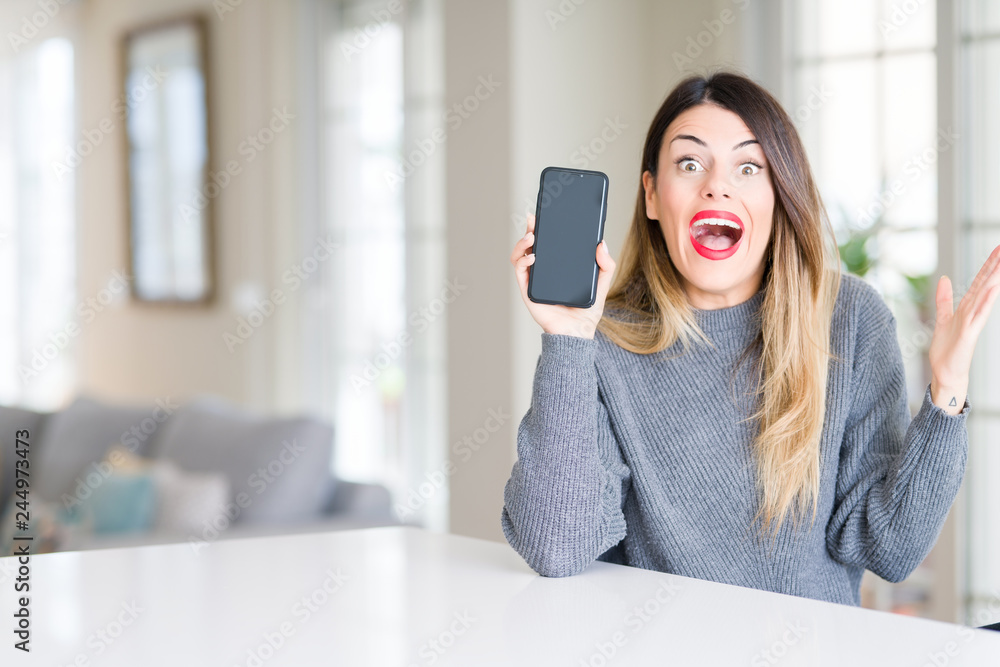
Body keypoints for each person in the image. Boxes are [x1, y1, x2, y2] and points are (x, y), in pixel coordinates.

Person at [502, 70, 1000, 607]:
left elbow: (889, 549)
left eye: (748, 166)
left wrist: (947, 392)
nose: (716, 185)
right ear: (651, 195)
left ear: (778, 194)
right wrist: (569, 340)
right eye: (689, 164)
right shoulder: (603, 344)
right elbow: (556, 546)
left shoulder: (851, 320)